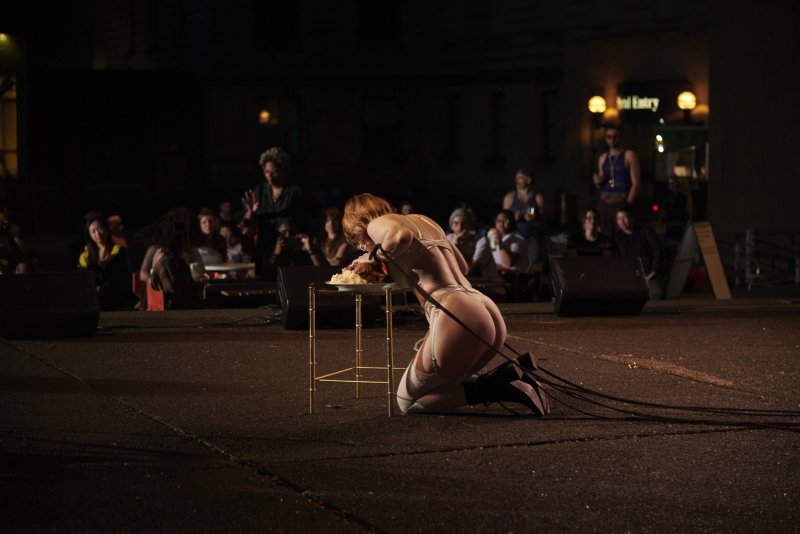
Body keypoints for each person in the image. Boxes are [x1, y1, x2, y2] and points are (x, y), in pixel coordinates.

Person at [342, 193, 548, 415]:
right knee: (445, 383)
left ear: (359, 223)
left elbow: (400, 237)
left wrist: (371, 258)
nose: (362, 246)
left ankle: (500, 387)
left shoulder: (377, 224)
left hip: (455, 311)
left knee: (407, 401)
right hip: (481, 305)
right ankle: (509, 376)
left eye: (358, 240)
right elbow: (462, 265)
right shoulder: (423, 220)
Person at [241, 147, 310, 278]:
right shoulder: (260, 190)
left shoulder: (294, 192)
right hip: (265, 246)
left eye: (274, 171)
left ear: (283, 170)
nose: (269, 175)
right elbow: (247, 223)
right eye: (266, 171)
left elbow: (304, 222)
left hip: (288, 247)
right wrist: (250, 212)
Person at [593, 126, 641, 237]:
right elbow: (599, 184)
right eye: (609, 137)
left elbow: (636, 183)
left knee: (623, 236)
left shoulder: (629, 155)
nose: (612, 139)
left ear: (620, 137)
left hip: (621, 202)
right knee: (605, 236)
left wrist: (628, 204)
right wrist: (597, 181)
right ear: (605, 139)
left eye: (615, 136)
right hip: (604, 203)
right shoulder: (603, 158)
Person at [77, 215, 133, 310]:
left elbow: (122, 278)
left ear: (106, 229)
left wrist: (103, 288)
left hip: (115, 297)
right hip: (93, 298)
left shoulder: (118, 251)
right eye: (93, 231)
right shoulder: (86, 256)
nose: (98, 233)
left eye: (100, 229)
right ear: (89, 235)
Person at [613, 207, 664, 300]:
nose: (622, 221)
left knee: (656, 294)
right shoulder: (617, 238)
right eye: (619, 218)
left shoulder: (646, 232)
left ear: (632, 218)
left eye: (625, 217)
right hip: (629, 277)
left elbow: (658, 252)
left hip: (650, 275)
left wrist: (651, 274)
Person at [502, 167, 546, 262]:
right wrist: (513, 219)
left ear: (529, 180)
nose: (516, 181)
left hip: (532, 238)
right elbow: (502, 222)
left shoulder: (538, 198)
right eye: (516, 178)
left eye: (520, 178)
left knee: (533, 266)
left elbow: (543, 224)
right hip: (515, 237)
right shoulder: (509, 198)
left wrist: (534, 220)